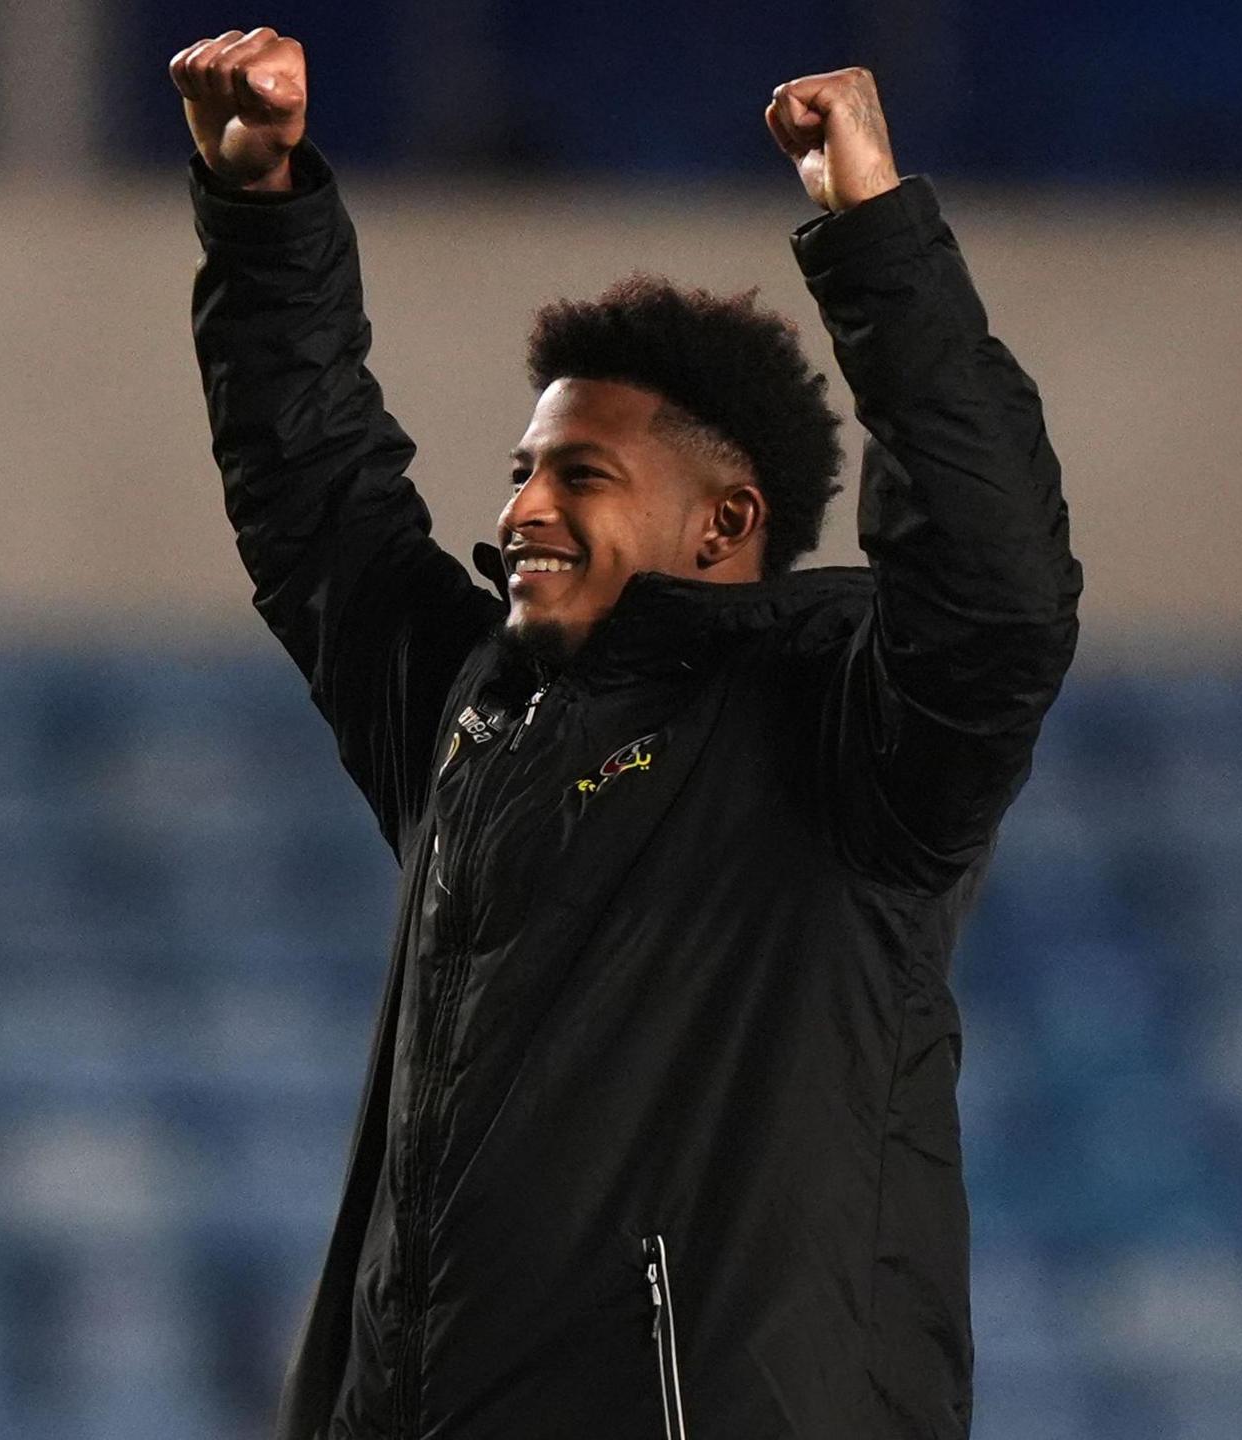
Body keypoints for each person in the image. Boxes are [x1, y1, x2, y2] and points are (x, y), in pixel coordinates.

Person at [173, 25, 1080, 1439]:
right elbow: (317, 501)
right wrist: (259, 206)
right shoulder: (475, 717)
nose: (522, 512)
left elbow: (1000, 591)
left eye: (578, 477)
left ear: (724, 524)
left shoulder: (849, 755)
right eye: (521, 472)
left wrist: (878, 242)